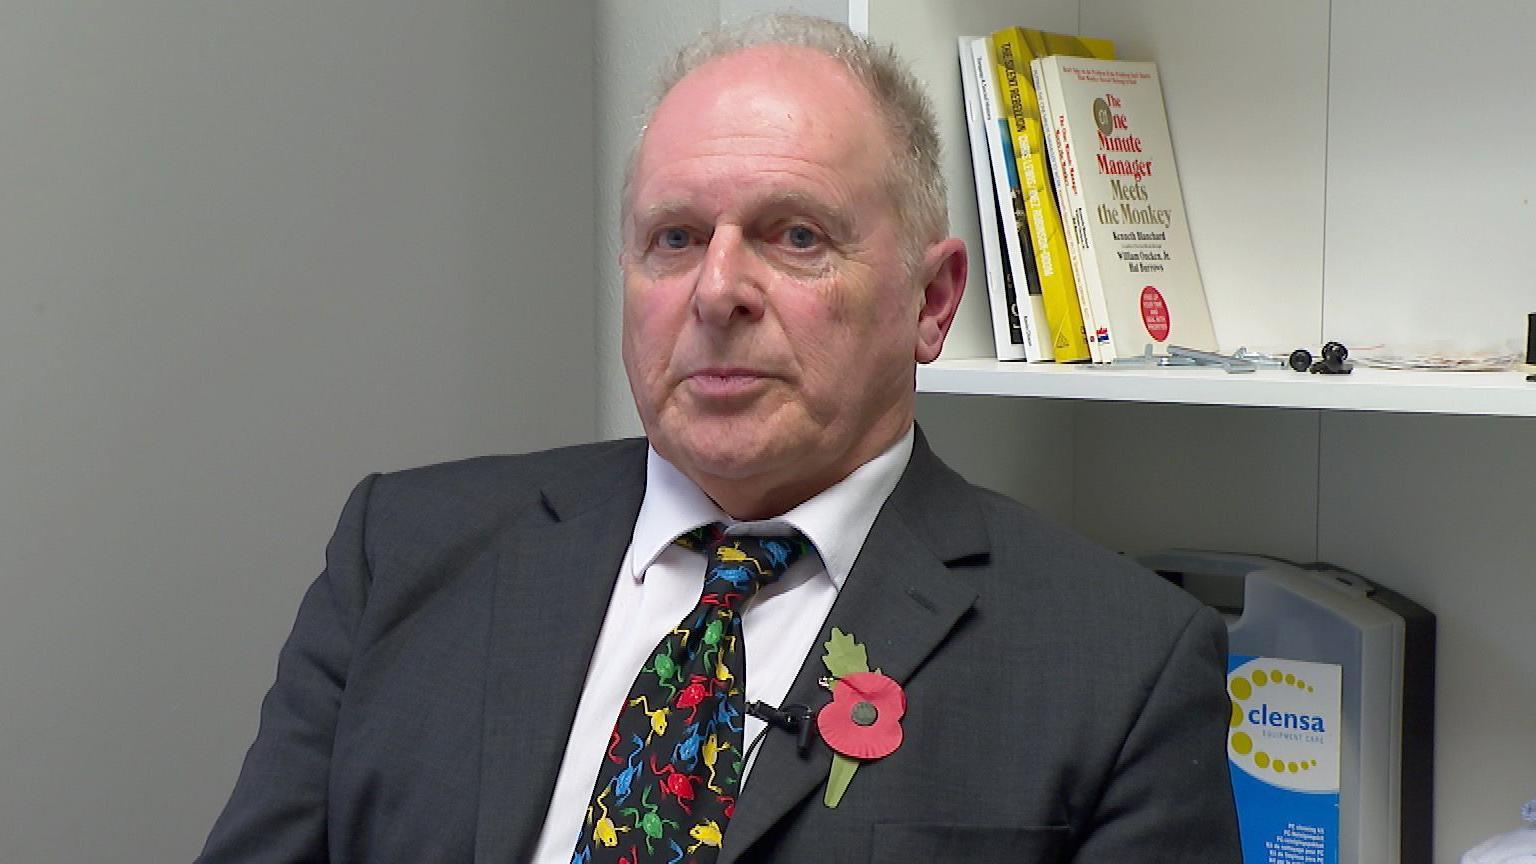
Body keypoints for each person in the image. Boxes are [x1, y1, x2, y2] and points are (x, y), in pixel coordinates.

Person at [197, 14, 1240, 864]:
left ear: (933, 299)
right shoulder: (406, 552)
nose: (718, 291)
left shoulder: (1118, 666)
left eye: (796, 236)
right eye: (676, 238)